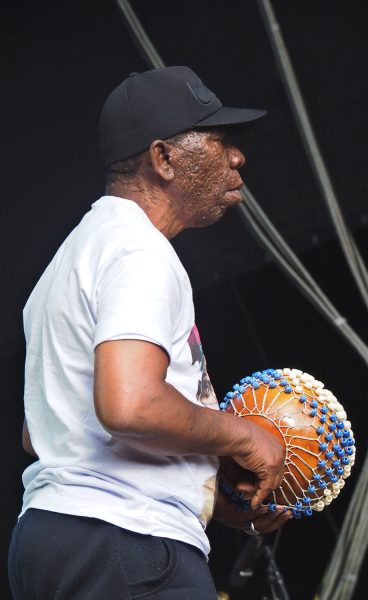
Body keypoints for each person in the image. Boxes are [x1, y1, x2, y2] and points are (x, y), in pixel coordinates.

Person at [8, 66, 290, 600]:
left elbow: (40, 431)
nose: (237, 158)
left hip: (53, 541)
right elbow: (130, 406)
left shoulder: (74, 256)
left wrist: (204, 487)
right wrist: (244, 434)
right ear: (163, 159)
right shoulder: (140, 251)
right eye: (219, 142)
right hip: (127, 543)